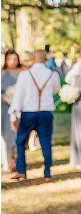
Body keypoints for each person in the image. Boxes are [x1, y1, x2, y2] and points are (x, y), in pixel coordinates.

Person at [7, 50, 61, 182]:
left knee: (20, 141)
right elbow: (56, 90)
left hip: (29, 113)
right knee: (46, 142)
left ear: (33, 58)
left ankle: (21, 171)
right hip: (46, 113)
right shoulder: (53, 74)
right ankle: (47, 173)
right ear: (45, 59)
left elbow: (18, 95)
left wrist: (13, 115)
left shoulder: (25, 74)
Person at [2, 50, 23, 172]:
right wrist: (4, 98)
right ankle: (7, 161)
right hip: (4, 108)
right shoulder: (2, 73)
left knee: (17, 134)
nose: (12, 62)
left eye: (15, 59)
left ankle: (17, 161)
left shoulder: (22, 73)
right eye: (10, 59)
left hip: (19, 109)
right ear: (6, 60)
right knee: (6, 135)